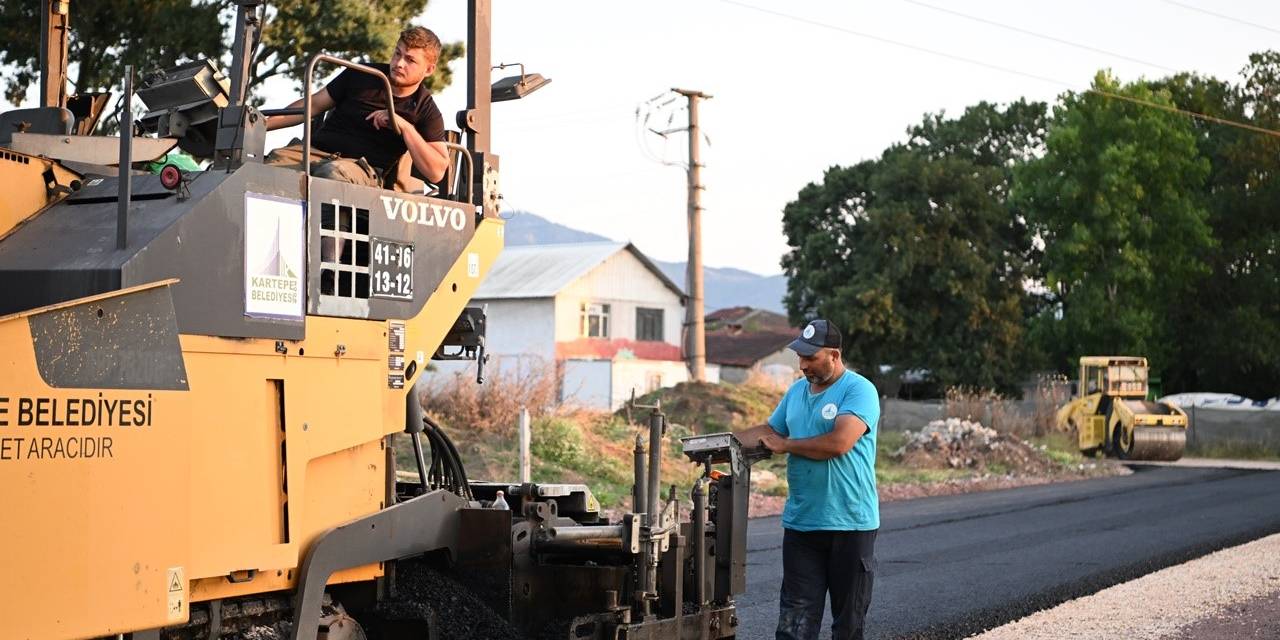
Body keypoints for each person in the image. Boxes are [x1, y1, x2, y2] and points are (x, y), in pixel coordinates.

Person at [736, 319, 880, 640]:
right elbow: (770, 430)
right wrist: (720, 442)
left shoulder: (858, 390)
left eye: (810, 357)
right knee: (794, 626)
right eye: (800, 356)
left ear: (834, 355)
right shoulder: (797, 392)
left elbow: (838, 443)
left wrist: (786, 445)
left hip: (850, 524)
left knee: (848, 627)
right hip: (802, 525)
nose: (802, 365)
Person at [264, 26, 450, 189]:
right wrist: (259, 125)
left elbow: (436, 172)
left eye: (410, 60)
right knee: (269, 164)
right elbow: (313, 105)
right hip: (315, 152)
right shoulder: (362, 74)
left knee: (333, 173)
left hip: (361, 169)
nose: (399, 63)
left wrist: (404, 126)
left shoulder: (425, 109)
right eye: (397, 54)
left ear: (429, 69)